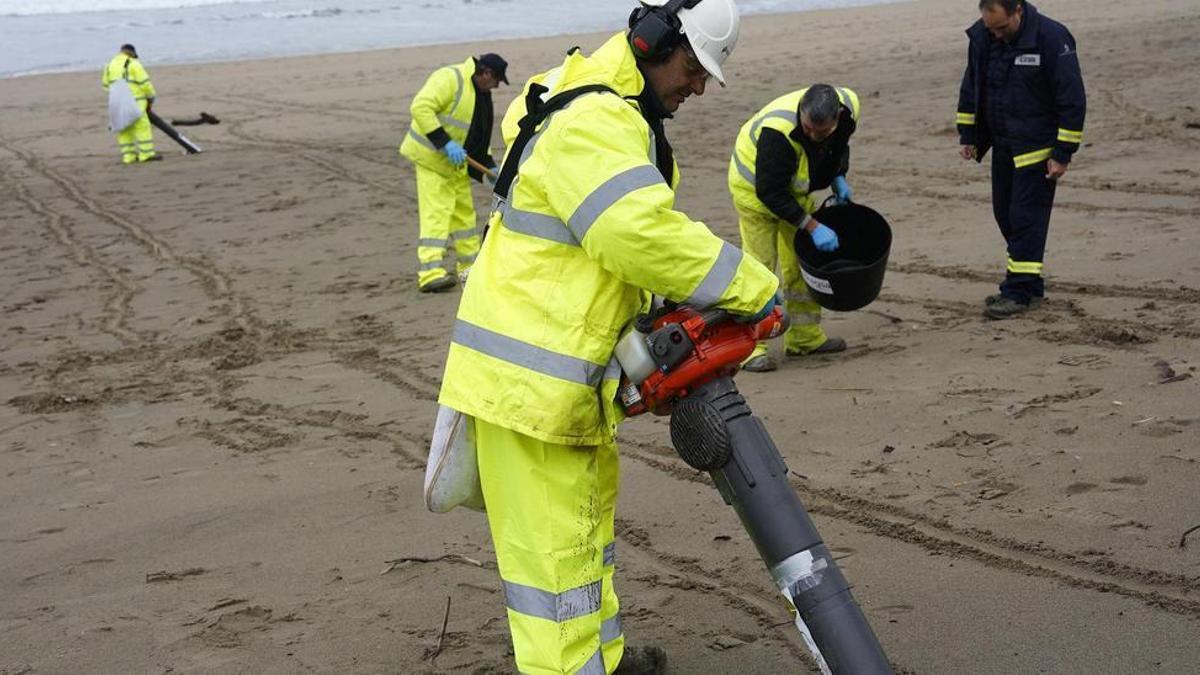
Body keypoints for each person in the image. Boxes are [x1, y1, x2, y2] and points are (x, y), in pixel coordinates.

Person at [436, 1, 778, 672]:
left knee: (584, 537)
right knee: (556, 573)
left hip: (559, 380)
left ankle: (608, 657)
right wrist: (753, 287)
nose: (699, 85)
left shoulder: (599, 108)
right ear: (653, 41)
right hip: (532, 384)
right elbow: (634, 233)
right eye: (692, 67)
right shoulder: (596, 119)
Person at [956, 0, 1085, 319]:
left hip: (1038, 151)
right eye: (991, 28)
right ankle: (1030, 284)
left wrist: (1062, 153)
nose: (997, 35)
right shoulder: (982, 37)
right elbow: (972, 84)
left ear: (1018, 12)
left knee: (1026, 219)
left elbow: (1072, 99)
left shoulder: (1053, 38)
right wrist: (968, 134)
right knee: (1006, 216)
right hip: (1003, 145)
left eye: (1002, 27)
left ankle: (1016, 292)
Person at [729, 84, 860, 372]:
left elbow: (838, 147)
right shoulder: (778, 132)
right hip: (754, 191)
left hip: (792, 190)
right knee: (759, 269)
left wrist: (839, 176)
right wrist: (812, 226)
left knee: (802, 264)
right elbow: (770, 192)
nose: (813, 136)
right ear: (801, 112)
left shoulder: (850, 108)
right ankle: (751, 348)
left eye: (821, 132)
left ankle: (805, 339)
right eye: (808, 129)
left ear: (838, 117)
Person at [399, 52, 508, 293]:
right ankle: (430, 274)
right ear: (486, 73)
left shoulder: (481, 95)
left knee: (464, 217)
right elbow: (421, 107)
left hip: (456, 166)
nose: (497, 86)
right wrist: (445, 143)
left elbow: (476, 137)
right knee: (437, 214)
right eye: (497, 80)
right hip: (433, 160)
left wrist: (488, 169)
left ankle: (468, 269)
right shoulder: (451, 78)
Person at [101, 44, 160, 164]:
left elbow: (106, 85)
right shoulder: (133, 64)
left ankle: (128, 157)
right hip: (136, 101)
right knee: (142, 127)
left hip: (117, 103)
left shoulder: (109, 65)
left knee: (123, 128)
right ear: (132, 53)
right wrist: (151, 96)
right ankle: (146, 154)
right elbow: (145, 83)